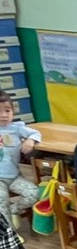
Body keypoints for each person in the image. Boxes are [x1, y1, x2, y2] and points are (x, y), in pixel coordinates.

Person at [0, 91, 40, 231]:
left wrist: (30, 140)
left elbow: (35, 133)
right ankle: (9, 234)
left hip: (14, 177)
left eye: (7, 110)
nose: (4, 115)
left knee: (34, 193)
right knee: (1, 200)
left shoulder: (17, 128)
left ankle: (13, 210)